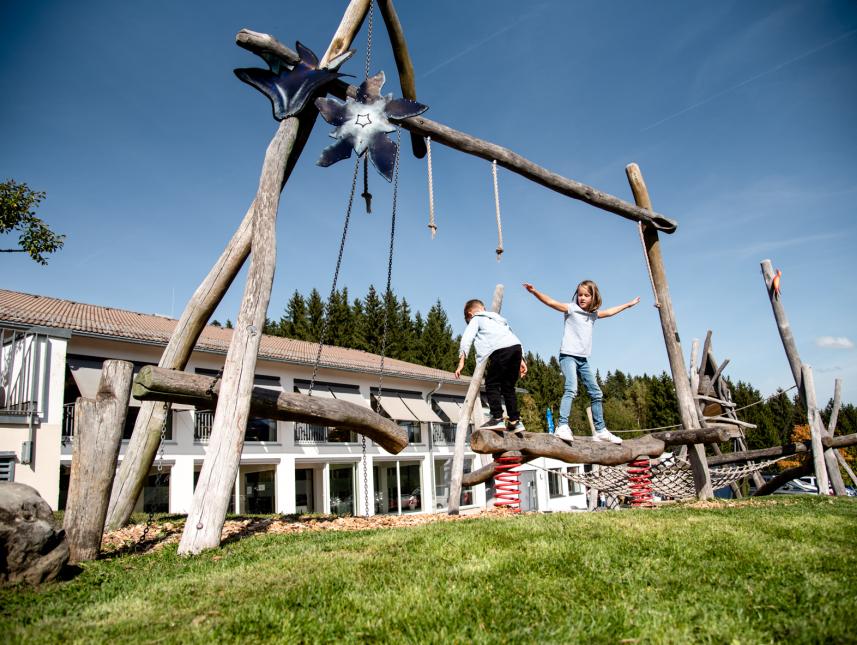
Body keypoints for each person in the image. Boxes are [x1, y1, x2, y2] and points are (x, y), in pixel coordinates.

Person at [523, 281, 639, 444]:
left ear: (593, 297)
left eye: (586, 295)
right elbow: (551, 302)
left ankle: (600, 430)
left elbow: (610, 312)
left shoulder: (593, 315)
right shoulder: (571, 308)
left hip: (583, 360)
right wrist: (535, 292)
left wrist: (628, 304)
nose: (582, 298)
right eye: (580, 294)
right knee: (571, 388)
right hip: (568, 356)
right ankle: (562, 426)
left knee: (596, 393)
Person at [455, 299, 528, 432]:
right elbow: (512, 334)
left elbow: (467, 337)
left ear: (470, 314)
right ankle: (515, 420)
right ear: (483, 308)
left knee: (492, 383)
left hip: (501, 349)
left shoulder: (476, 319)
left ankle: (497, 418)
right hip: (516, 348)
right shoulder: (498, 319)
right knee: (508, 387)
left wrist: (462, 360)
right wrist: (522, 359)